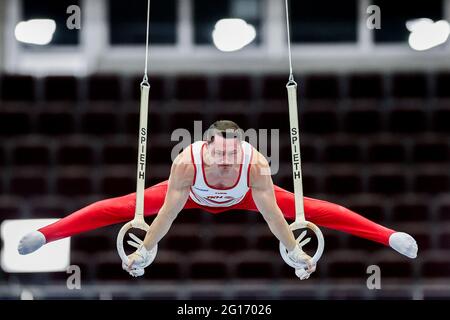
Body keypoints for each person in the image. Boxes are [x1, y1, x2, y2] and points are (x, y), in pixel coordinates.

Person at [18, 120, 418, 279]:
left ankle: (388, 237)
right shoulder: (187, 165)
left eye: (231, 154)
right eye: (219, 154)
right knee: (122, 207)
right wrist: (144, 249)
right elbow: (168, 215)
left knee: (311, 208)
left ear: (241, 149)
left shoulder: (255, 166)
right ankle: (46, 234)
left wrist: (294, 249)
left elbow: (275, 218)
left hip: (247, 197)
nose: (225, 161)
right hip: (191, 196)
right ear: (206, 146)